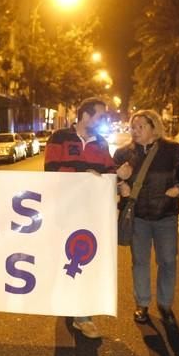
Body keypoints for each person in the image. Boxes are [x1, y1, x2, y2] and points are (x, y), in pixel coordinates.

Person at [45, 97, 131, 339]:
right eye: (101, 116)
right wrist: (84, 174)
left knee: (84, 260)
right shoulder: (59, 138)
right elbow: (51, 170)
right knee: (64, 260)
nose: (104, 120)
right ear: (85, 116)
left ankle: (83, 315)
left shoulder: (101, 143)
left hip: (91, 214)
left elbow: (107, 172)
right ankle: (68, 304)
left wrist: (120, 178)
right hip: (64, 212)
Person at [114, 109, 179, 328]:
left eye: (141, 126)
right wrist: (120, 182)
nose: (135, 131)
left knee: (168, 261)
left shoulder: (172, 149)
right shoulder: (124, 153)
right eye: (133, 126)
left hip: (166, 216)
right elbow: (108, 177)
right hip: (138, 217)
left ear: (154, 127)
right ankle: (142, 304)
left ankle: (165, 304)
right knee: (140, 261)